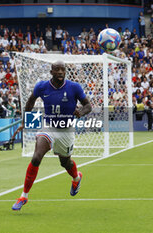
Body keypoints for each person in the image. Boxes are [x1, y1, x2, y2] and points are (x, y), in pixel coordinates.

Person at [12, 61, 92, 211]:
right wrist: (25, 121)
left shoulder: (74, 87)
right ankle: (24, 196)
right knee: (36, 157)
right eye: (57, 69)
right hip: (48, 127)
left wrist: (80, 112)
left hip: (66, 130)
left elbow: (88, 105)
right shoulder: (41, 86)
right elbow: (30, 102)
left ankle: (76, 178)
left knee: (65, 163)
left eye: (63, 69)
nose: (60, 72)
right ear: (51, 72)